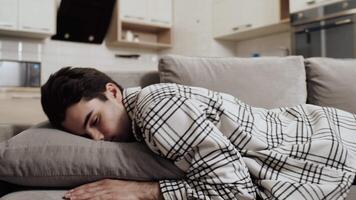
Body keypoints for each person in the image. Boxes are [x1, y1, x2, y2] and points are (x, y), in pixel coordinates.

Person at [41, 67, 356, 200]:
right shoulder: (145, 112)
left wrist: (144, 190)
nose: (97, 139)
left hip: (327, 135)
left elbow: (234, 193)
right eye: (85, 136)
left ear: (113, 92)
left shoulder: (155, 109)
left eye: (94, 120)